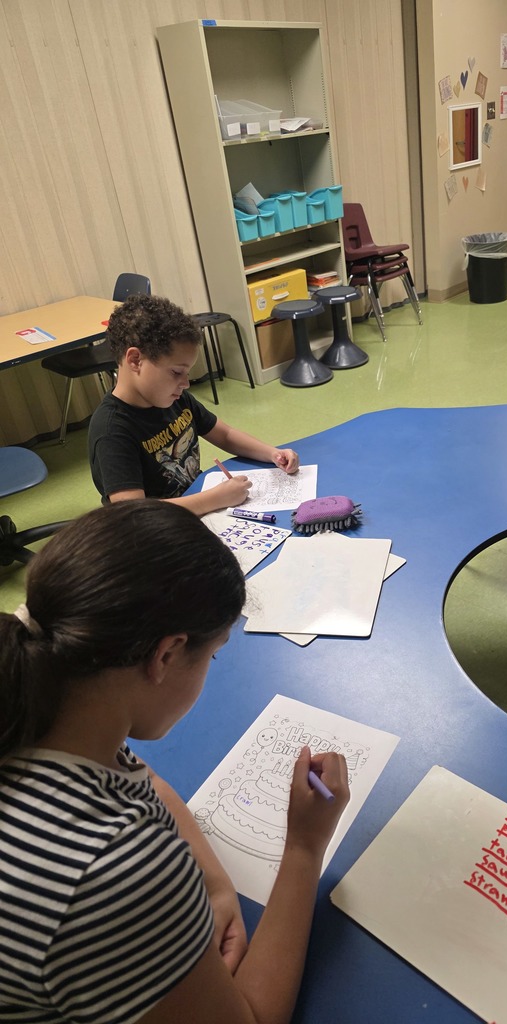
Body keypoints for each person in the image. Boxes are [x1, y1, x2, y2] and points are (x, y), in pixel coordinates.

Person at [0, 500, 349, 1024]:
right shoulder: (113, 871)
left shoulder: (50, 701)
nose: (209, 669)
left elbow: (146, 781)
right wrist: (303, 847)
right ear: (165, 656)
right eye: (212, 656)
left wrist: (212, 880)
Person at [88, 293, 300, 516]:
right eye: (176, 372)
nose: (185, 384)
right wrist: (215, 498)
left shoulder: (173, 398)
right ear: (135, 360)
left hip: (198, 511)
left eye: (187, 373)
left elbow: (225, 434)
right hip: (159, 532)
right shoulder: (112, 431)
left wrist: (272, 453)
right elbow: (134, 513)